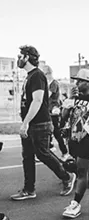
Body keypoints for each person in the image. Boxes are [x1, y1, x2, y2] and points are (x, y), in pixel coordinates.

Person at [10, 45, 76, 201]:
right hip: (31, 123)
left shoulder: (37, 75)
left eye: (21, 55)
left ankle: (67, 176)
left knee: (42, 153)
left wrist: (25, 123)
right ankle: (28, 190)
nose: (19, 58)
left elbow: (38, 100)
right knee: (27, 156)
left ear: (28, 57)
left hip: (39, 123)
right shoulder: (30, 76)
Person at [61, 68, 89, 218]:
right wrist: (69, 102)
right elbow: (64, 118)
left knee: (82, 172)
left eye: (80, 81)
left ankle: (75, 204)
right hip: (74, 140)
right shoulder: (73, 98)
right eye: (75, 80)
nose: (76, 83)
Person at [42, 65, 69, 161]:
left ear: (47, 73)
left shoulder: (53, 83)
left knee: (56, 132)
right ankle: (50, 147)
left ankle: (64, 152)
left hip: (53, 110)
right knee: (48, 130)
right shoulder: (48, 83)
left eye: (44, 74)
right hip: (49, 110)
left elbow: (46, 96)